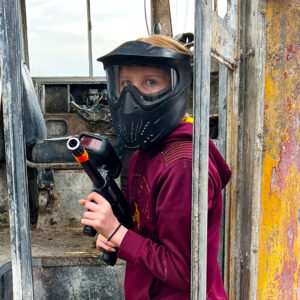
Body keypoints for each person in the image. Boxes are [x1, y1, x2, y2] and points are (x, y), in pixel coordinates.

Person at [79, 35, 231, 300]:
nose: (131, 98)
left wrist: (118, 233)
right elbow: (145, 226)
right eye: (125, 84)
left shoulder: (183, 167)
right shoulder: (144, 151)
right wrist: (114, 232)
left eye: (149, 82)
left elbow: (187, 273)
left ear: (178, 85)